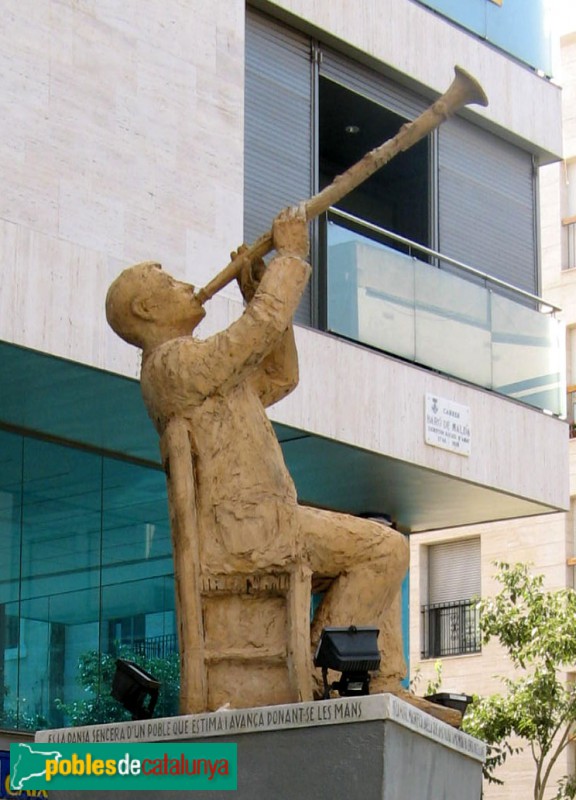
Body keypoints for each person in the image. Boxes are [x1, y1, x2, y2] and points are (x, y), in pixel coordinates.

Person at [106, 205, 409, 700]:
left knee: (377, 545)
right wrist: (289, 259)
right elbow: (253, 335)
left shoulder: (208, 377)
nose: (189, 286)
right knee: (386, 548)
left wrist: (255, 288)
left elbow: (278, 375)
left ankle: (382, 680)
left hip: (264, 522)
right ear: (145, 311)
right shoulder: (171, 365)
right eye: (171, 283)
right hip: (246, 529)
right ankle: (320, 674)